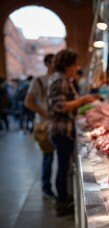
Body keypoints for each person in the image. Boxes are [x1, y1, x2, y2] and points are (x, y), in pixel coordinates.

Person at [48, 49, 99, 216]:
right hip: (61, 130)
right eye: (74, 64)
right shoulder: (60, 80)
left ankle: (64, 199)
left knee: (64, 166)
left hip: (64, 129)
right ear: (66, 64)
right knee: (62, 167)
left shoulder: (63, 79)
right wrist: (82, 100)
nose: (76, 67)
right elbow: (60, 106)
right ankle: (61, 202)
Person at [24, 53, 56, 199]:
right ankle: (46, 187)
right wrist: (44, 112)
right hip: (44, 124)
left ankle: (63, 190)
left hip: (59, 124)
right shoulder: (39, 80)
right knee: (48, 157)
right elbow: (28, 101)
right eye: (53, 62)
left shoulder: (61, 79)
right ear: (47, 63)